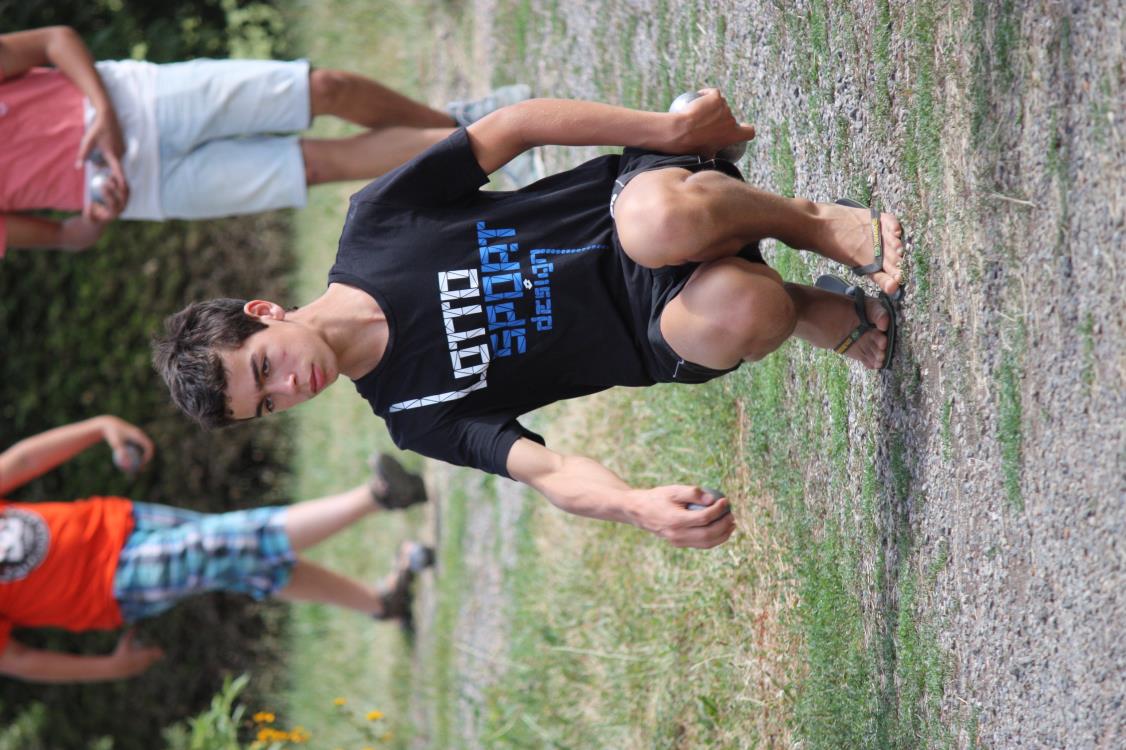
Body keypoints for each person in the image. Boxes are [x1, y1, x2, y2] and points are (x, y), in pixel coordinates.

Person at [154, 89, 907, 550]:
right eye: (270, 403)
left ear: (265, 314)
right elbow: (546, 471)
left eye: (264, 366)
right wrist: (635, 506)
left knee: (655, 225)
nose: (291, 384)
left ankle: (811, 223)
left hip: (645, 205)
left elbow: (511, 129)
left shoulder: (374, 227)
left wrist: (669, 132)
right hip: (662, 328)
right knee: (749, 306)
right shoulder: (415, 417)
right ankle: (802, 306)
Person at [0, 25, 539, 257]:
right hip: (146, 188)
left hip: (136, 99)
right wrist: (99, 214)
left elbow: (55, 40)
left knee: (325, 88)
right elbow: (68, 239)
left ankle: (461, 119)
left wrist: (103, 112)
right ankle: (488, 141)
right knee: (316, 166)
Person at [0, 414, 433, 683]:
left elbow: (19, 462)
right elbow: (15, 659)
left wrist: (98, 427)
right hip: (111, 586)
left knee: (246, 563)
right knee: (224, 544)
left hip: (121, 521)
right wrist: (106, 669)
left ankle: (381, 602)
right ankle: (380, 495)